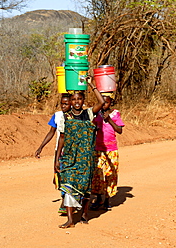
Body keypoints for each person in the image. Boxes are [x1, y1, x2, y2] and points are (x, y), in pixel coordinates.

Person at [54, 77, 105, 229]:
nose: (76, 102)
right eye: (73, 99)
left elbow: (102, 103)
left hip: (85, 158)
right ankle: (70, 219)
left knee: (85, 187)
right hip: (69, 157)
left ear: (83, 100)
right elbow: (61, 138)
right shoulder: (65, 117)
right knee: (68, 183)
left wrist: (91, 84)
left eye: (79, 99)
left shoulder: (89, 114)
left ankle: (84, 213)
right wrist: (57, 159)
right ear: (70, 102)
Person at [90, 93, 124, 211]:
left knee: (110, 174)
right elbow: (92, 128)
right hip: (98, 149)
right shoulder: (96, 115)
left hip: (111, 149)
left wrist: (109, 120)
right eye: (102, 102)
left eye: (107, 102)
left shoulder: (115, 114)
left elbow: (119, 130)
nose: (104, 105)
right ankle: (98, 198)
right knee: (98, 174)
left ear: (111, 103)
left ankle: (107, 199)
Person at [35, 94, 71, 158]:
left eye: (66, 104)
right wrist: (41, 147)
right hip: (60, 150)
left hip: (73, 151)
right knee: (58, 167)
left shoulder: (76, 116)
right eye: (61, 104)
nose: (63, 106)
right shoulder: (57, 115)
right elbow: (51, 132)